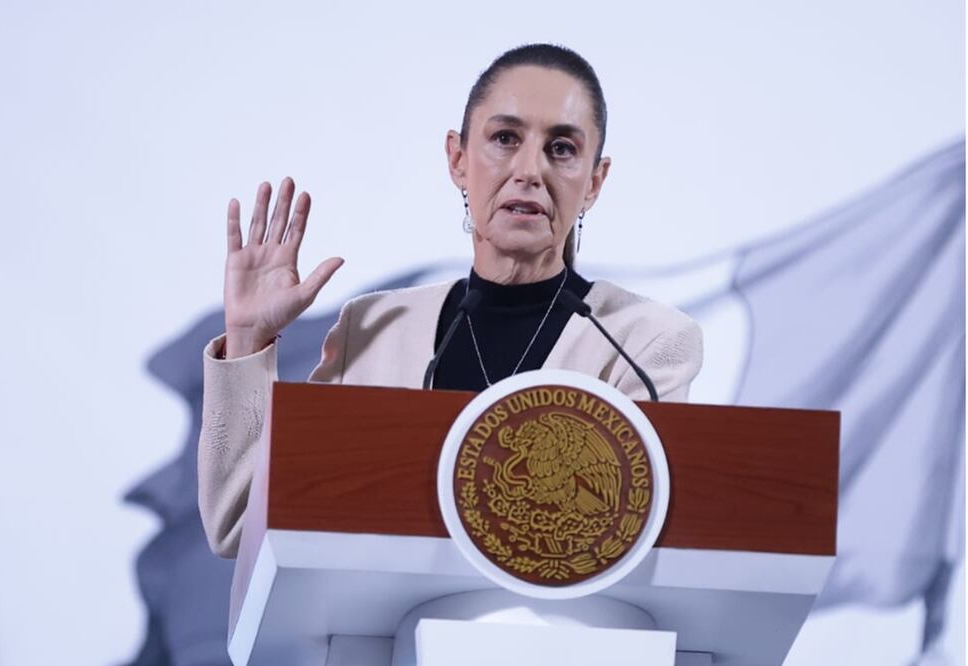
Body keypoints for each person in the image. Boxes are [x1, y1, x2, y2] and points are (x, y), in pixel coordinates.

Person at [198, 44, 703, 558]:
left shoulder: (641, 341)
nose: (529, 170)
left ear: (594, 182)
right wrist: (246, 339)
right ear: (458, 160)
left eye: (562, 148)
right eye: (505, 139)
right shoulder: (373, 331)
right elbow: (238, 525)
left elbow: (635, 538)